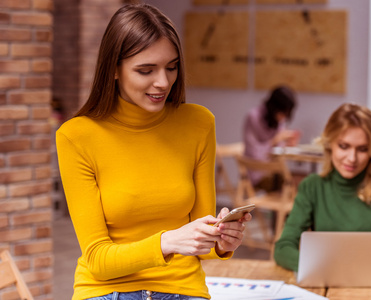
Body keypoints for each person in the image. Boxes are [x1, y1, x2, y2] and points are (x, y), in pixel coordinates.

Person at [56, 4, 251, 300]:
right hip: (107, 291)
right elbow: (97, 258)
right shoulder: (76, 136)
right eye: (146, 70)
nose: (163, 82)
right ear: (114, 70)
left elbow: (205, 246)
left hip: (181, 289)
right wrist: (168, 241)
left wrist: (223, 242)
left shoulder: (198, 124)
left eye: (171, 67)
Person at [274, 103, 371, 275]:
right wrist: (319, 267)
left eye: (362, 149)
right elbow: (283, 248)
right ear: (330, 144)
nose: (352, 159)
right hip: (326, 282)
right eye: (344, 146)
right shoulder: (312, 186)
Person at [243, 86, 300, 191]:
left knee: (303, 181)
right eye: (283, 113)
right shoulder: (253, 117)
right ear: (274, 107)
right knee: (295, 184)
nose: (283, 117)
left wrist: (288, 144)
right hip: (258, 172)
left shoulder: (278, 120)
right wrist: (275, 140)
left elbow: (278, 150)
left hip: (275, 171)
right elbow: (254, 154)